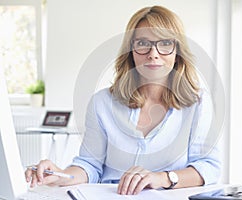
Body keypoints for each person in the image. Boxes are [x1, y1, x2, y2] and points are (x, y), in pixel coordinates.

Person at [25, 5, 221, 195]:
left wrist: (162, 178)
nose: (153, 54)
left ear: (177, 52)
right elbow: (90, 165)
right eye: (143, 43)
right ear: (131, 50)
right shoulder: (102, 103)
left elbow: (208, 167)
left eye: (165, 43)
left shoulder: (198, 103)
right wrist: (59, 175)